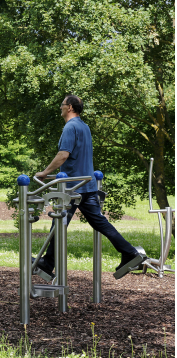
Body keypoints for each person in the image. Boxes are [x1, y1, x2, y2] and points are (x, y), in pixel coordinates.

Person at [34, 94, 144, 279]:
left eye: (62, 105)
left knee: (58, 224)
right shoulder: (84, 127)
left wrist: (44, 173)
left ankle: (48, 263)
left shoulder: (70, 127)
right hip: (87, 185)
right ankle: (130, 252)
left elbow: (63, 155)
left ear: (69, 107)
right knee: (99, 222)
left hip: (72, 188)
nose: (60, 108)